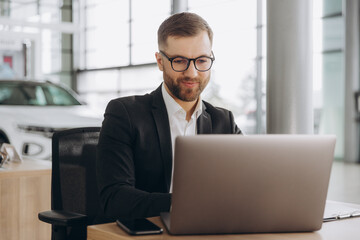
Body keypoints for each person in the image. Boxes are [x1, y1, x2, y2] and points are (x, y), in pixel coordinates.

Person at [97, 12, 242, 220]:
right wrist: (186, 204)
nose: (192, 73)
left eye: (201, 60)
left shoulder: (224, 121)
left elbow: (248, 185)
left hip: (207, 229)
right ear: (160, 61)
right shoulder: (125, 114)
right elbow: (115, 198)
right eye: (180, 61)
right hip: (146, 230)